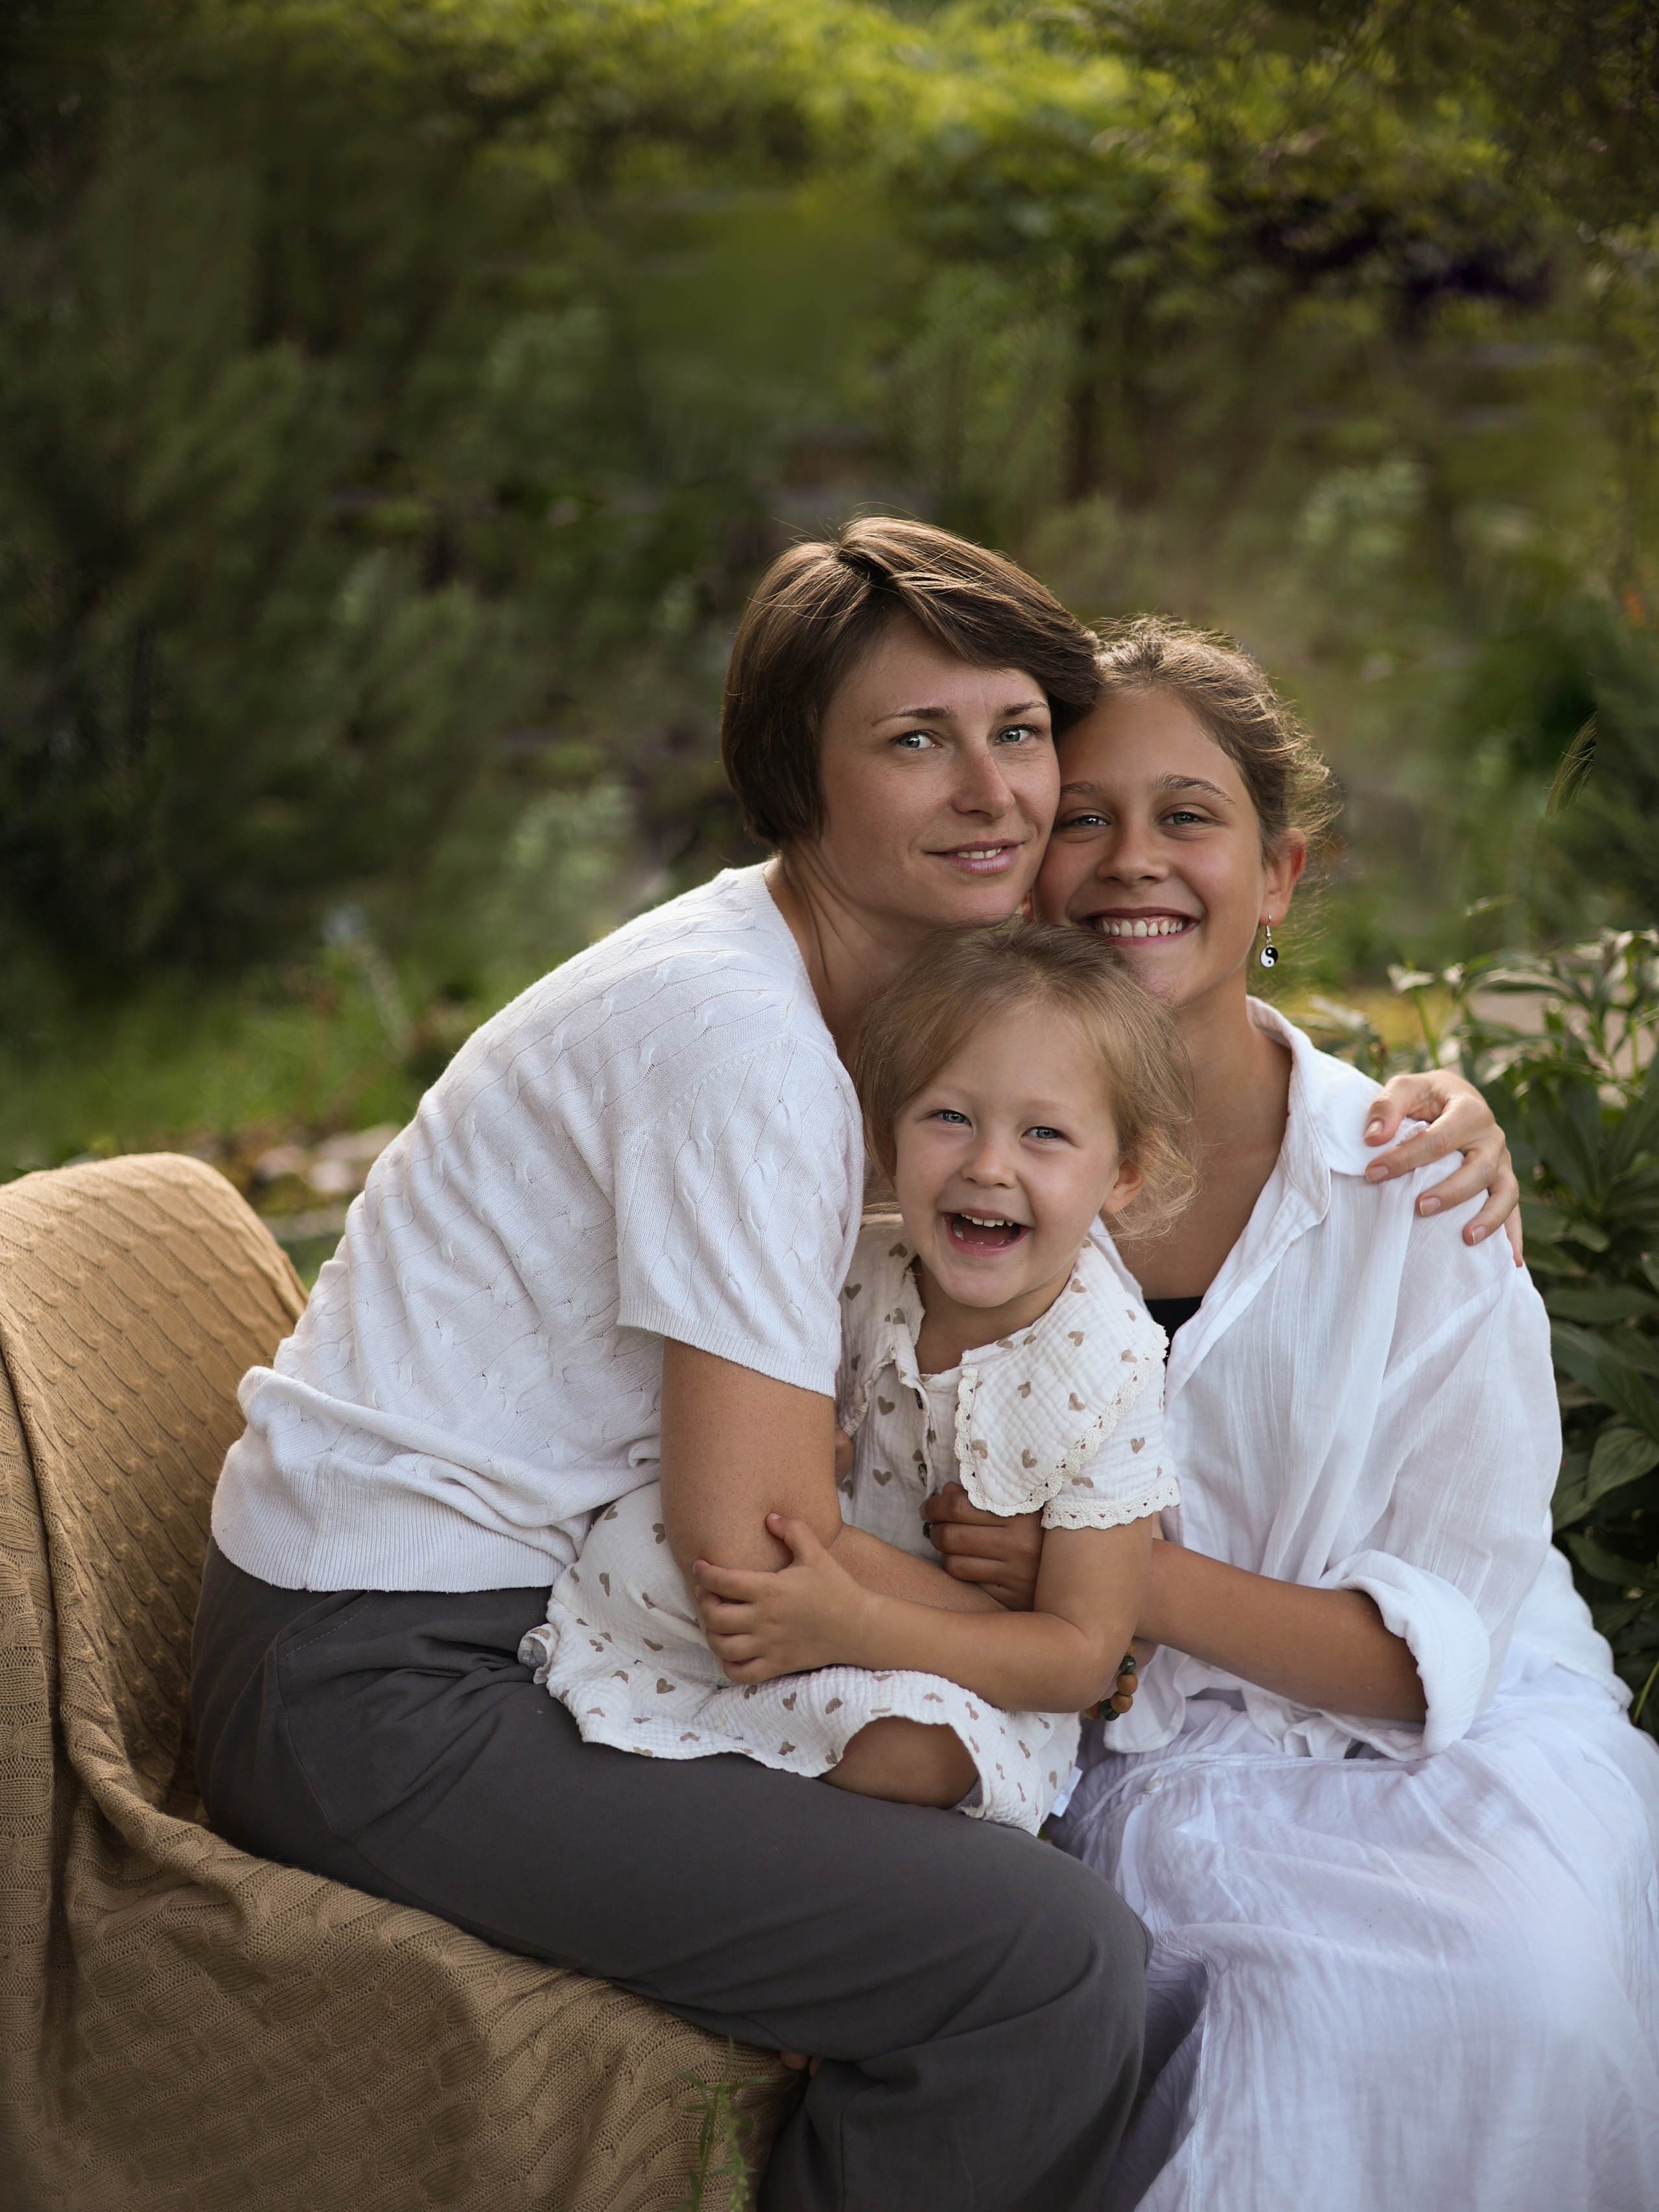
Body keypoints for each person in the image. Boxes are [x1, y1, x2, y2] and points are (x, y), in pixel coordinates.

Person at [190, 521, 1518, 2212]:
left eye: (1019, 730)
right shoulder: (742, 1045)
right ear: (795, 780)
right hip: (381, 1676)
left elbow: (1159, 1003)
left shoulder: (889, 994)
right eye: (916, 741)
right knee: (1040, 1965)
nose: (996, 794)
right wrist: (1060, 1631)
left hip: (530, 1602)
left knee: (1015, 1839)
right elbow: (760, 1566)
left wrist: (1437, 1113)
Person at [923, 616, 1659, 2212]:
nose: (1134, 861)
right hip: (1119, 1750)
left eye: (1188, 816)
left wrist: (1097, 1569)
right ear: (1025, 870)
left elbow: (1418, 1660)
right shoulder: (959, 1161)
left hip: (1444, 1738)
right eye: (1082, 820)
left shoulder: (1410, 1186)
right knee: (1282, 2029)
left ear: (1279, 874)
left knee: (1519, 1993)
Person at [523, 924, 1192, 1830]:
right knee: (639, 1545)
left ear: (1125, 1172)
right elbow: (781, 1437)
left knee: (909, 1751)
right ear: (885, 1132)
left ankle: (737, 1798)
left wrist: (860, 1628)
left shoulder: (1107, 1363)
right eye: (950, 1117)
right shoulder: (859, 1266)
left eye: (1044, 1134)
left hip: (969, 1668)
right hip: (807, 1597)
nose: (988, 1164)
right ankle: (688, 1740)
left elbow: (1079, 1658)